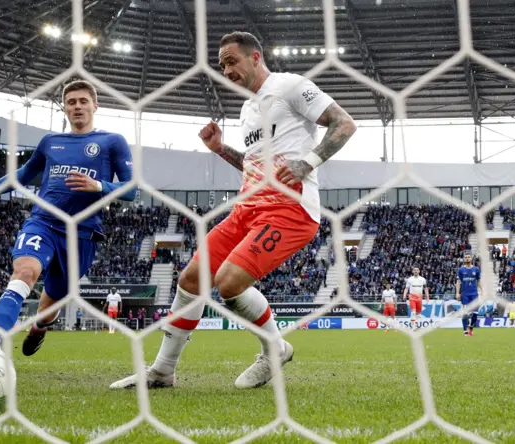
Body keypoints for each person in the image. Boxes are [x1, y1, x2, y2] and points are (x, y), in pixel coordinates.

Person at [111, 31, 356, 390]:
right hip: (247, 209)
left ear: (255, 57)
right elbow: (253, 166)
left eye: (231, 61)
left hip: (291, 210)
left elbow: (344, 123)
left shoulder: (290, 86)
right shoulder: (248, 109)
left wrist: (308, 162)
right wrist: (220, 149)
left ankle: (275, 350)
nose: (226, 70)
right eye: (222, 64)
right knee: (191, 279)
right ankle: (162, 371)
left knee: (227, 284)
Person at [0, 80, 135, 353]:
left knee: (50, 304)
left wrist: (99, 186)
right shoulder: (50, 142)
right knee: (24, 272)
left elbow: (132, 190)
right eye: (71, 102)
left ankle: (40, 327)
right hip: (43, 223)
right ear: (65, 109)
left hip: (82, 234)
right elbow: (21, 177)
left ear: (95, 105)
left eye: (83, 101)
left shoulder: (112, 141)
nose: (77, 106)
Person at [456, 252, 482, 336]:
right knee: (465, 313)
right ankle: (465, 331)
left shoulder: (476, 269)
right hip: (465, 294)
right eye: (466, 257)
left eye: (468, 257)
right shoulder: (461, 270)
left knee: (475, 314)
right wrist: (457, 293)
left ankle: (471, 327)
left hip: (474, 294)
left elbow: (478, 281)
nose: (467, 258)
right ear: (464, 259)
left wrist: (482, 291)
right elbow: (458, 282)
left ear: (471, 258)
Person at [402, 267, 429, 331]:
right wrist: (404, 295)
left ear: (419, 271)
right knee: (413, 312)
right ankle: (413, 326)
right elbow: (406, 288)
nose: (416, 271)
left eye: (417, 270)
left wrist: (427, 297)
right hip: (412, 297)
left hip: (419, 298)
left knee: (418, 313)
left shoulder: (423, 279)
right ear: (413, 271)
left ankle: (415, 325)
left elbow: (425, 288)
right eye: (414, 270)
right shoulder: (410, 279)